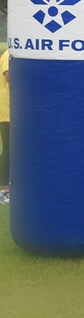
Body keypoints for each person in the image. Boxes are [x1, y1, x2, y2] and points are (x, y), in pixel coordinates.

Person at [0, 49, 10, 204]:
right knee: (9, 150)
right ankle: (3, 191)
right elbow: (10, 77)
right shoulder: (9, 55)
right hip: (7, 111)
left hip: (18, 112)